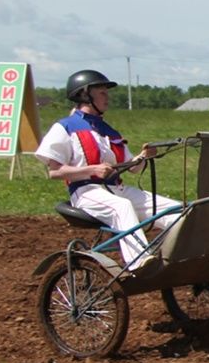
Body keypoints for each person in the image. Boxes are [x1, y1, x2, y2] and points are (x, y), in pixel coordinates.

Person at [35, 70, 183, 273]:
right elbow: (54, 171)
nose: (108, 97)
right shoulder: (65, 127)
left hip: (117, 189)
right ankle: (138, 263)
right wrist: (91, 169)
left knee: (178, 211)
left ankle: (175, 259)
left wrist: (144, 156)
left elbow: (133, 168)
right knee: (122, 207)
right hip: (86, 193)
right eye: (103, 93)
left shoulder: (109, 131)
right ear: (85, 95)